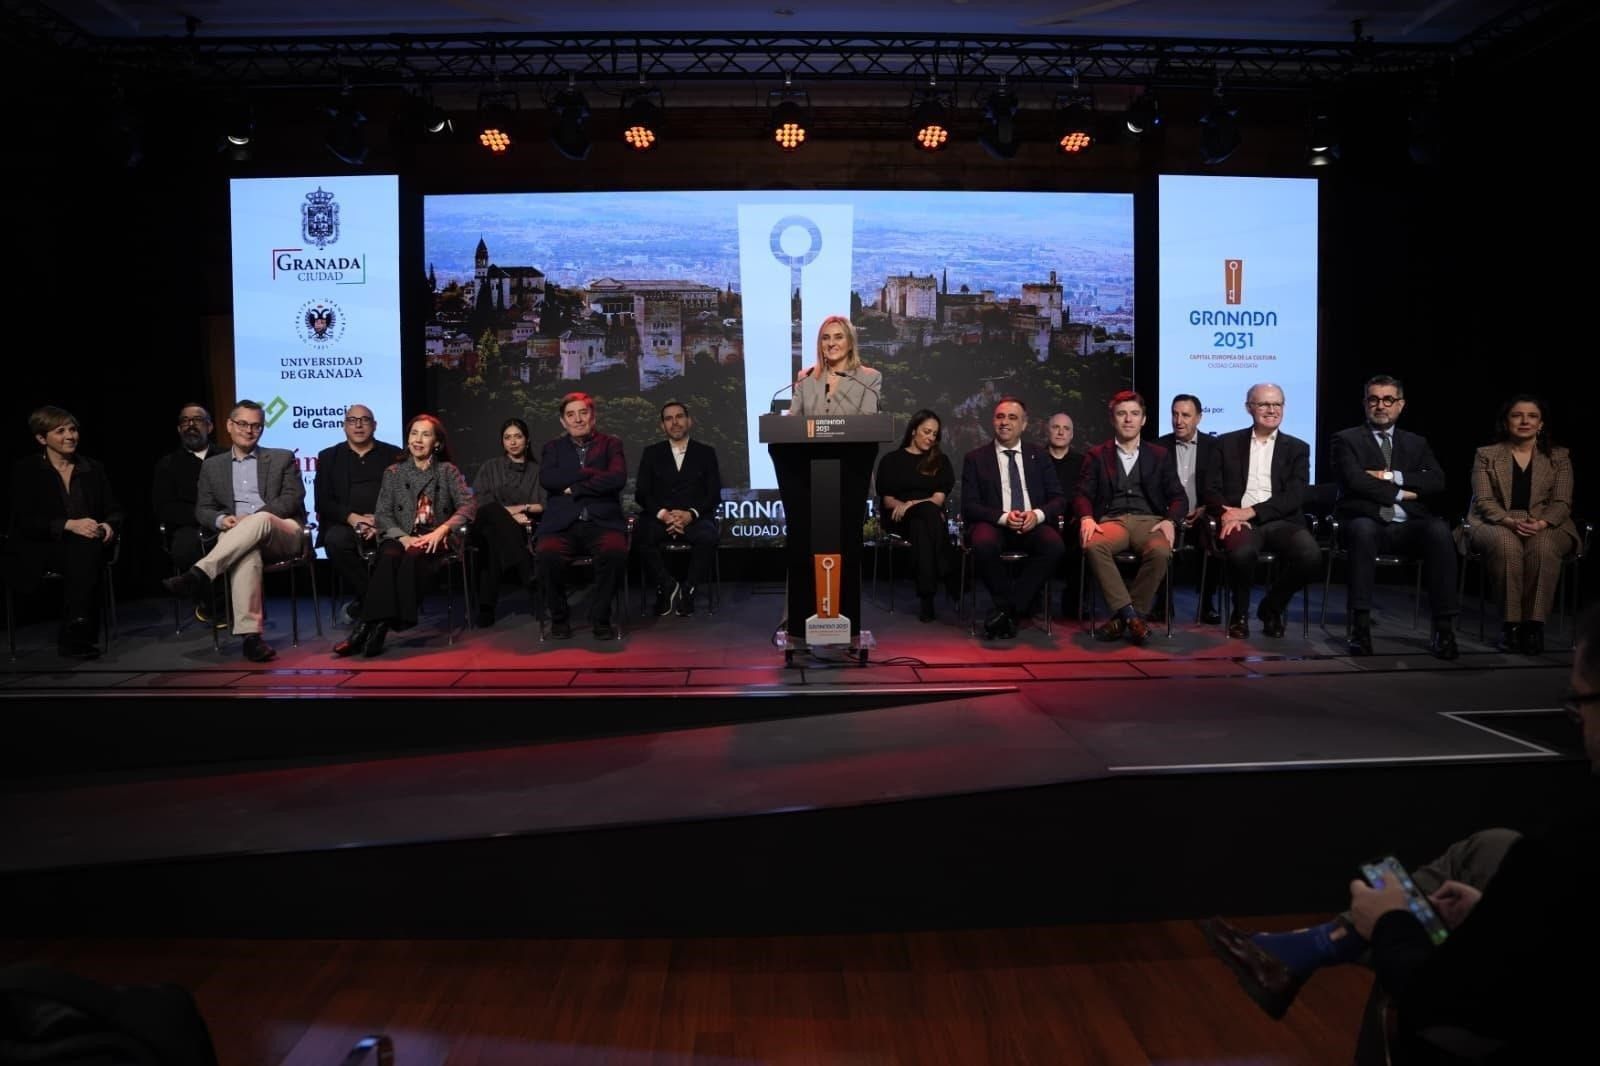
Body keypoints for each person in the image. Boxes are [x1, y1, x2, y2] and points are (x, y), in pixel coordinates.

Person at [1201, 604, 1600, 1060]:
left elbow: (1446, 1003)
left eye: (1579, 704)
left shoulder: (1574, 847)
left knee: (1399, 954)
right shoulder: (1561, 851)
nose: (1578, 721)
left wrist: (1391, 922)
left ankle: (1316, 946)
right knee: (1492, 847)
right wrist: (1494, 913)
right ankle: (1305, 950)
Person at [162, 400, 306, 663]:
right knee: (244, 552)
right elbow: (203, 509)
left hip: (283, 532)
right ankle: (251, 638)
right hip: (238, 537)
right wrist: (221, 520)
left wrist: (250, 519)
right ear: (229, 426)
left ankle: (201, 572)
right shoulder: (212, 466)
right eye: (243, 424)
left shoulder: (282, 457)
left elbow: (291, 498)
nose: (249, 430)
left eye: (256, 425)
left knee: (260, 519)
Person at [1331, 375, 1460, 660]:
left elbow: (1437, 481)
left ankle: (1444, 628)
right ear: (1365, 404)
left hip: (1408, 526)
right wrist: (1403, 493)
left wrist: (1392, 476)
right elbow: (1355, 481)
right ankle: (1360, 627)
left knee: (1439, 530)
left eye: (1388, 399)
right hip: (1365, 520)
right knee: (1363, 530)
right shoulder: (1346, 439)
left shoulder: (1416, 443)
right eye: (1373, 399)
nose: (1380, 405)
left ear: (1400, 405)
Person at [773, 315, 880, 648]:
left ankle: (843, 622)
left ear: (850, 341)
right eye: (824, 338)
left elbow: (868, 424)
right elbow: (793, 424)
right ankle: (800, 623)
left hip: (848, 476)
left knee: (846, 543)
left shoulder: (869, 378)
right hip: (808, 479)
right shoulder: (806, 378)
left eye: (837, 337)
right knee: (805, 541)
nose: (831, 344)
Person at [334, 414, 476, 657]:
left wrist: (442, 530)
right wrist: (403, 537)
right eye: (414, 433)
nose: (418, 440)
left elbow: (469, 505)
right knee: (388, 555)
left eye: (425, 434)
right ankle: (375, 625)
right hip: (401, 535)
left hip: (435, 537)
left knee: (413, 556)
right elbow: (383, 514)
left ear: (437, 443)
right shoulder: (394, 472)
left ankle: (370, 627)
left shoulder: (446, 471)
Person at [1203, 384, 1320, 639]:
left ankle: (1272, 607)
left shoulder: (1298, 448)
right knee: (1242, 553)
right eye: (1264, 404)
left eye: (1277, 404)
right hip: (1239, 520)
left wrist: (1251, 512)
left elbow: (1295, 495)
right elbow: (1210, 487)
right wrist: (1227, 512)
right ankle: (1240, 614)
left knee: (1311, 556)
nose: (1271, 410)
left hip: (1282, 521)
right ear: (1249, 408)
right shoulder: (1226, 443)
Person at [1464, 394, 1578, 655]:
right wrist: (1508, 522)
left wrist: (1541, 523)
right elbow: (1483, 499)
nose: (1524, 421)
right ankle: (1511, 625)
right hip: (1495, 520)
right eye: (1517, 415)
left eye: (1532, 416)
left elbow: (1561, 501)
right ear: (1506, 422)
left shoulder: (1559, 457)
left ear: (1541, 424)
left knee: (1543, 546)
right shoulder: (1486, 455)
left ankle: (1533, 627)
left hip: (1546, 521)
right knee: (1506, 545)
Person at [4, 406, 121, 658]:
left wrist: (108, 526)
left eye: (73, 429)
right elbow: (25, 521)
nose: (70, 436)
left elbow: (114, 510)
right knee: (82, 546)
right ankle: (78, 626)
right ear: (41, 438)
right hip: (41, 547)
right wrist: (69, 524)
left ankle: (76, 623)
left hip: (86, 547)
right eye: (60, 431)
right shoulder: (27, 471)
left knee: (85, 546)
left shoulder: (93, 468)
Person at [1076, 390, 1187, 644]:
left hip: (1149, 521)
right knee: (1094, 545)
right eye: (1122, 414)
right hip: (1112, 521)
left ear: (1143, 420)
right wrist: (1086, 518)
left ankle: (1125, 616)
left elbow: (1180, 497)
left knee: (1161, 552)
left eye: (1134, 414)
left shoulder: (1159, 455)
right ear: (1112, 419)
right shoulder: (1096, 455)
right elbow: (1082, 494)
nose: (1128, 420)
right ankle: (1131, 616)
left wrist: (1170, 521)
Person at [959, 397, 1065, 640]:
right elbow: (970, 505)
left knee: (1054, 545)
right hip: (995, 523)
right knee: (983, 543)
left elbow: (1058, 499)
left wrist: (1036, 515)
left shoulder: (1039, 456)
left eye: (1012, 417)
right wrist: (1004, 517)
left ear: (1024, 424)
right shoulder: (975, 458)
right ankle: (1013, 608)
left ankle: (1008, 610)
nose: (1004, 422)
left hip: (1031, 523)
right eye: (1000, 417)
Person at [536, 393, 628, 641]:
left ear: (593, 416)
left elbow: (617, 478)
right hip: (562, 525)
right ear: (563, 422)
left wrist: (575, 486)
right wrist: (591, 474)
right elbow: (548, 479)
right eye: (570, 415)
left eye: (583, 413)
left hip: (602, 522)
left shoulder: (611, 444)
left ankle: (600, 616)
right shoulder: (552, 448)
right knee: (546, 554)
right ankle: (559, 617)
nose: (578, 419)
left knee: (614, 551)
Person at [314, 404, 403, 624]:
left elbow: (403, 497)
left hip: (385, 523)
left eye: (365, 420)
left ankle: (366, 605)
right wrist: (353, 518)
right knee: (334, 541)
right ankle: (379, 604)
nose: (359, 425)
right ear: (344, 426)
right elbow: (322, 501)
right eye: (352, 420)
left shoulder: (394, 454)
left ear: (374, 425)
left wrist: (378, 521)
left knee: (392, 548)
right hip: (346, 523)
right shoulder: (328, 457)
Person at [634, 401, 722, 618]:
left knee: (707, 537)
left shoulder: (706, 453)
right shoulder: (651, 453)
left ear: (689, 421)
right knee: (639, 536)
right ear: (662, 426)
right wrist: (665, 515)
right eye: (668, 418)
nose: (675, 422)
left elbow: (713, 494)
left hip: (694, 518)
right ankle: (667, 586)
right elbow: (642, 493)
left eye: (679, 416)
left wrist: (690, 515)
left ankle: (688, 590)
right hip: (661, 518)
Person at [875, 409, 957, 623]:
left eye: (934, 434)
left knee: (922, 524)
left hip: (926, 519)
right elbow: (888, 500)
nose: (931, 438)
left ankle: (926, 598)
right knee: (927, 517)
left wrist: (912, 504)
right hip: (898, 517)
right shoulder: (891, 460)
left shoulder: (940, 461)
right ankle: (947, 569)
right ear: (913, 431)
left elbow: (938, 499)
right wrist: (906, 506)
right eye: (926, 432)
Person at [151, 402, 226, 623]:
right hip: (189, 525)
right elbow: (163, 507)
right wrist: (203, 516)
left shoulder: (225, 456)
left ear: (210, 427)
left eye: (197, 420)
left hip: (226, 522)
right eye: (185, 421)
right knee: (187, 547)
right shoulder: (167, 464)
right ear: (178, 429)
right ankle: (211, 603)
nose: (191, 425)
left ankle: (232, 603)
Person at [469, 417, 545, 627]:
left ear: (527, 440)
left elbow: (544, 504)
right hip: (482, 526)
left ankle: (486, 608)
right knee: (492, 513)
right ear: (502, 442)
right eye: (507, 438)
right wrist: (509, 514)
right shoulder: (490, 466)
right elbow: (478, 503)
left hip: (518, 531)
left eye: (518, 437)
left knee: (494, 539)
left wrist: (523, 508)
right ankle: (526, 568)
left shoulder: (537, 471)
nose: (512, 442)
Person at [1157, 394, 1220, 625]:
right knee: (1157, 539)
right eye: (1174, 414)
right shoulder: (1158, 446)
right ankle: (1162, 603)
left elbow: (1219, 487)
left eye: (1185, 415)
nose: (1178, 420)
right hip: (1168, 516)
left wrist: (1205, 508)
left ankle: (1207, 603)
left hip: (1202, 515)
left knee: (1213, 537)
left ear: (1199, 418)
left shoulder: (1214, 447)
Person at [1045, 412, 1087, 620]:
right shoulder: (1036, 458)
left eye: (1066, 428)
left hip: (1073, 523)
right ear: (1048, 430)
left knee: (1084, 543)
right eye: (1056, 427)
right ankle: (1035, 602)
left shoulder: (1083, 463)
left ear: (1072, 435)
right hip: (1043, 522)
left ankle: (1075, 603)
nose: (1061, 432)